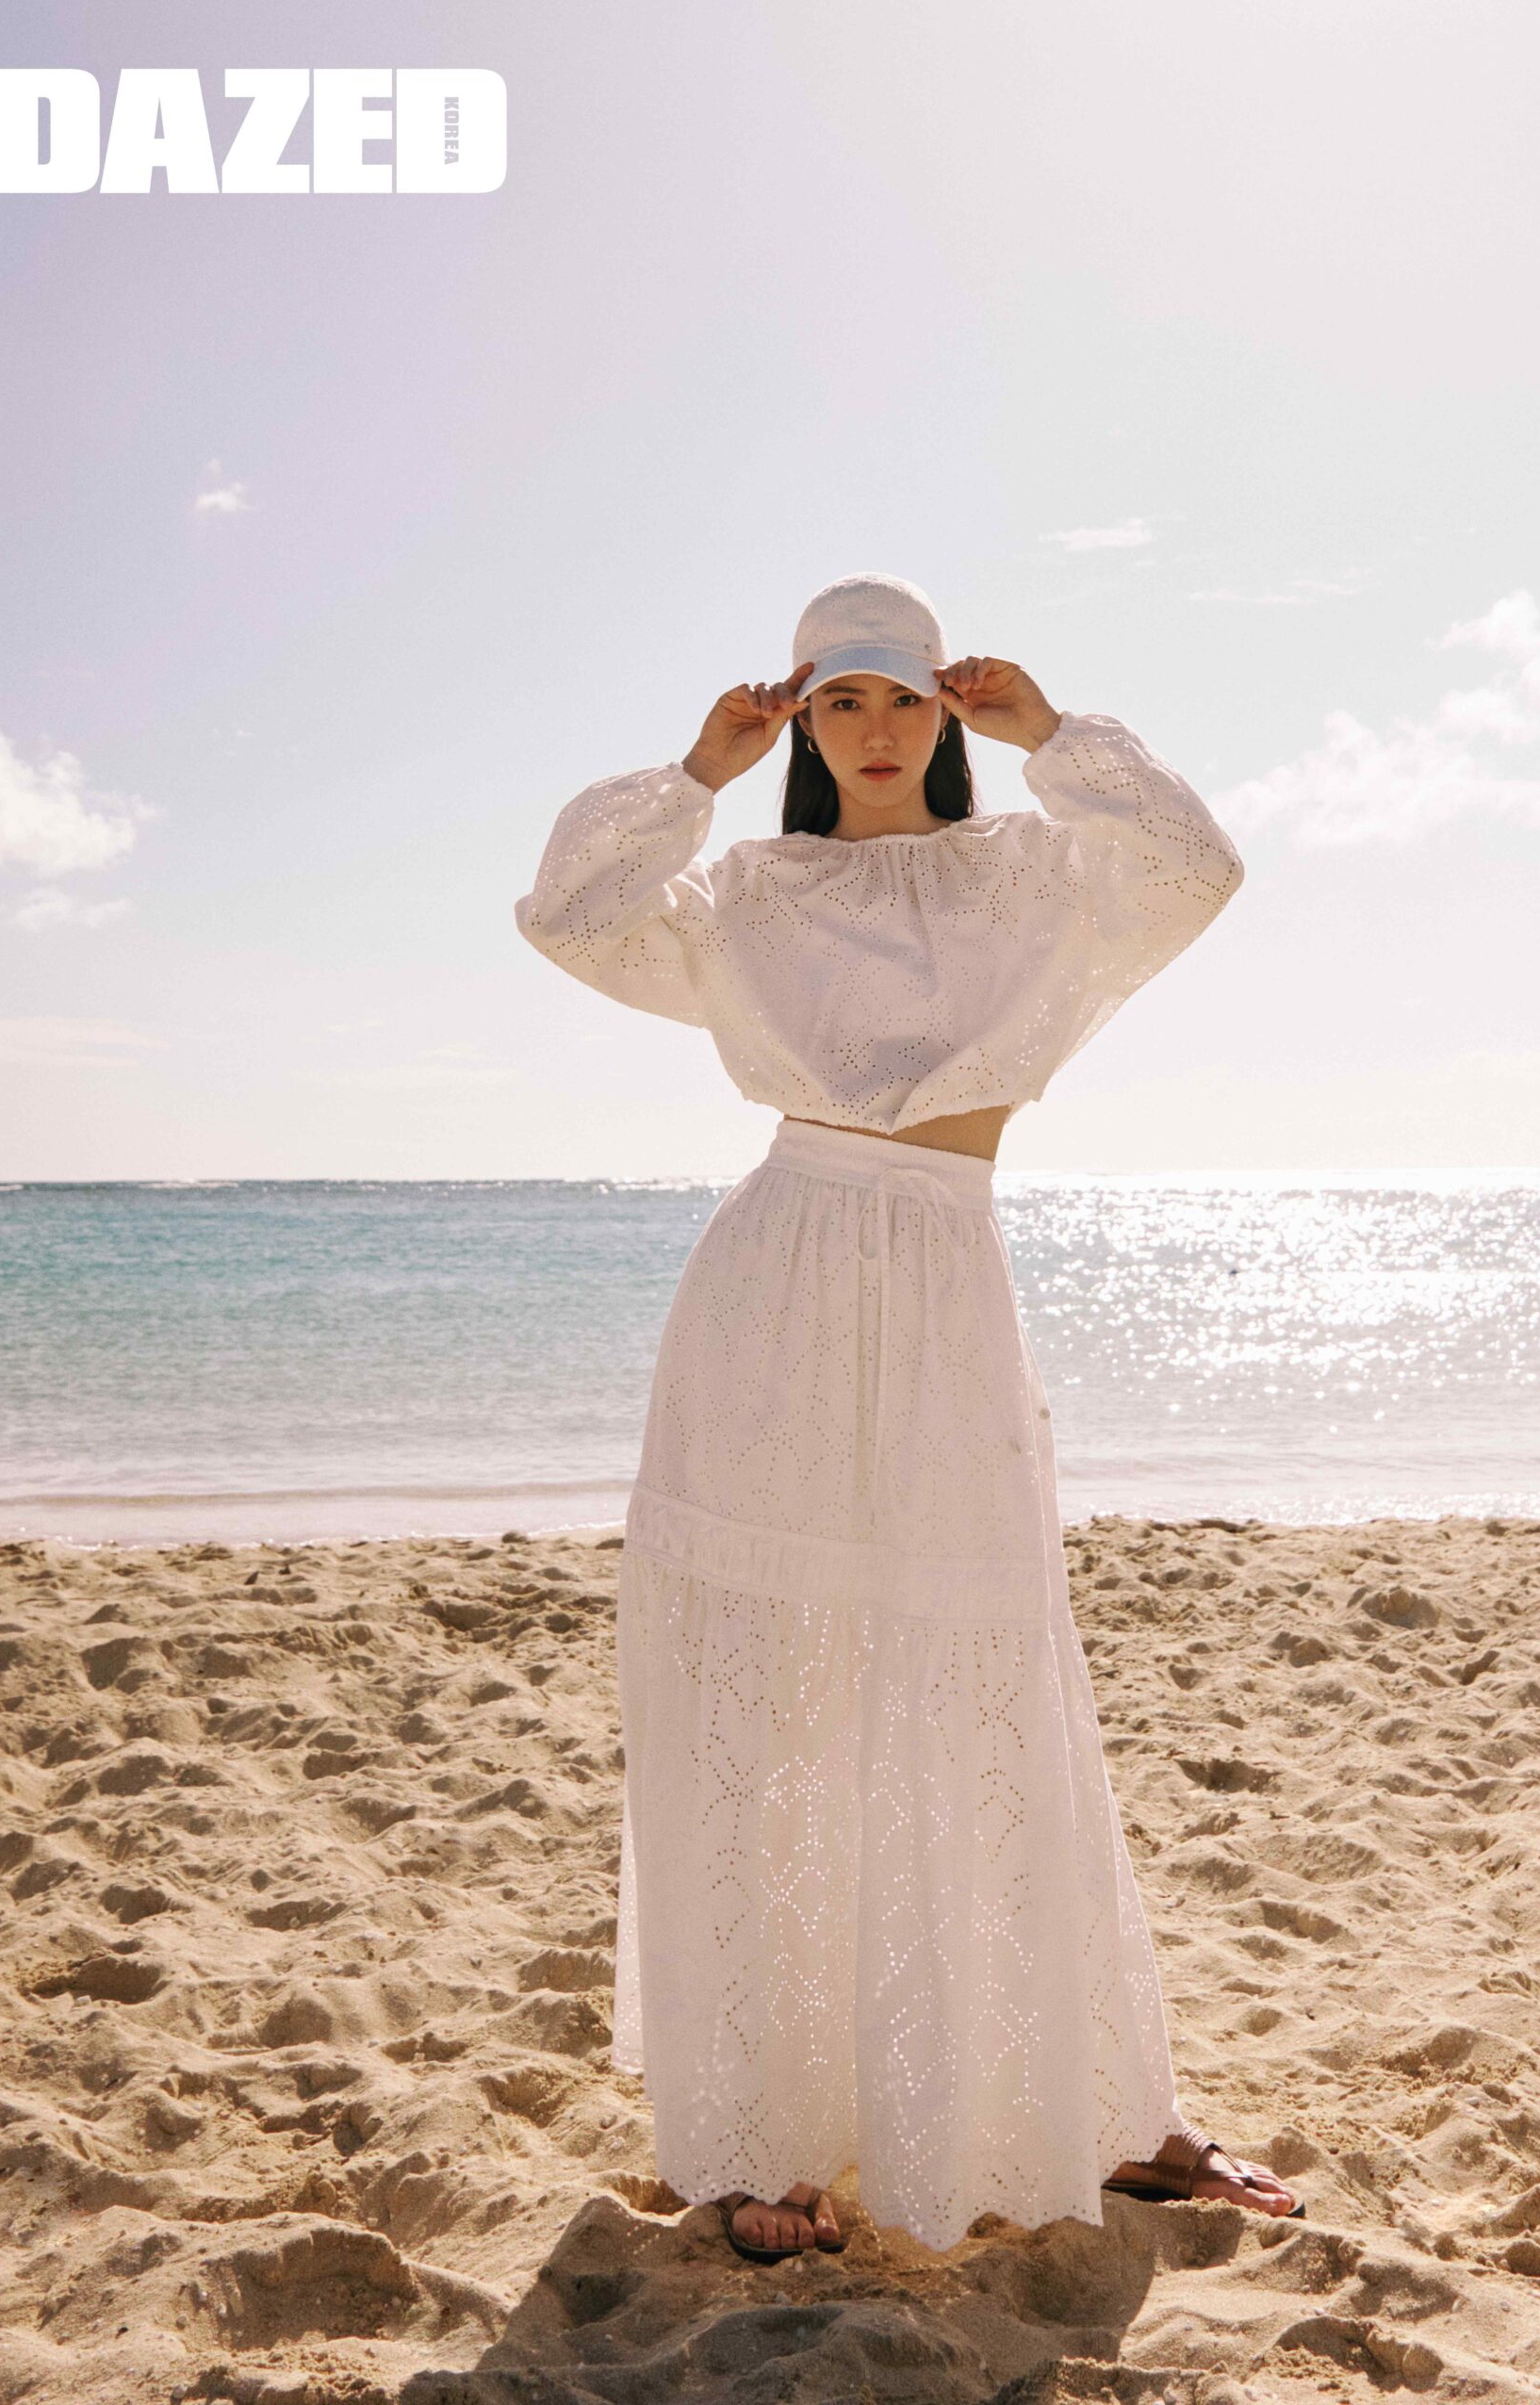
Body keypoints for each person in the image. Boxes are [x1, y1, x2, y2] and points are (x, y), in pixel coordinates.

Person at [515, 572, 1301, 2261]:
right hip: (772, 1290)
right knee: (768, 1696)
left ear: (947, 710)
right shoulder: (750, 891)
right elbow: (571, 916)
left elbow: (1197, 871)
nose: (873, 729)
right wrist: (697, 775)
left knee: (988, 1670)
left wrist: (1056, 735)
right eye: (840, 699)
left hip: (948, 1282)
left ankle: (1107, 2116)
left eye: (901, 696)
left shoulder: (1033, 872)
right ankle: (764, 2140)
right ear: (803, 721)